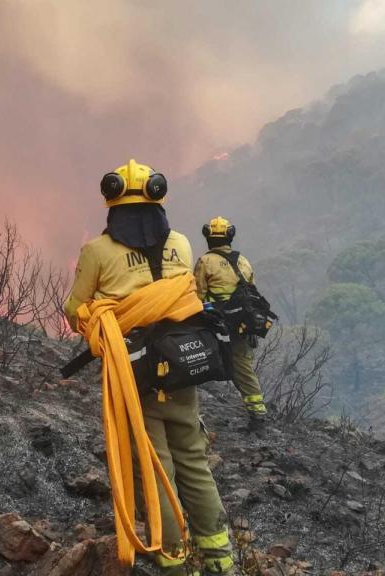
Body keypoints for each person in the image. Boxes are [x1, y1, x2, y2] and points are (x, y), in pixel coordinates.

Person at [64, 160, 234, 575]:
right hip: (182, 367)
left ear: (112, 204)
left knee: (154, 464)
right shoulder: (181, 243)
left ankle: (174, 559)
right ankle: (220, 558)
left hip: (135, 374)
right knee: (194, 459)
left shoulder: (96, 251)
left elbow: (74, 310)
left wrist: (103, 315)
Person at [194, 217, 267, 429]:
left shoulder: (205, 262)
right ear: (230, 237)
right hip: (241, 326)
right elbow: (251, 293)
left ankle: (188, 413)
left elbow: (197, 295)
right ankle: (257, 415)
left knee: (193, 359)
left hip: (215, 325)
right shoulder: (243, 261)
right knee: (243, 368)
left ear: (208, 237)